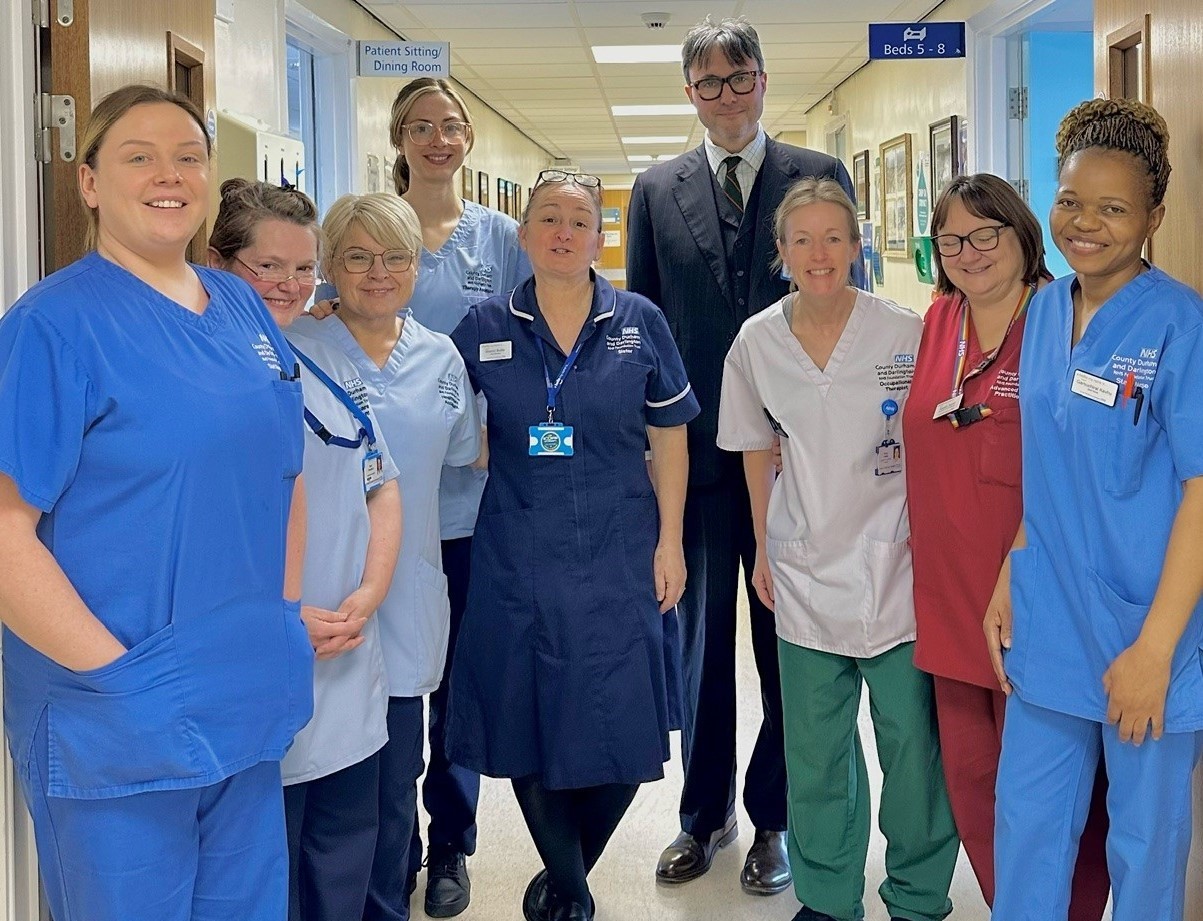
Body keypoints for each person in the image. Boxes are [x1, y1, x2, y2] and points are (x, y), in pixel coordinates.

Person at [0, 85, 313, 921]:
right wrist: (123, 683)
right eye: (138, 156)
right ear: (90, 182)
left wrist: (280, 618)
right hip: (117, 720)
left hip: (240, 700)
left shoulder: (243, 307)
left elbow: (286, 470)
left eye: (187, 157)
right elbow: (5, 534)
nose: (167, 174)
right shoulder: (52, 326)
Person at [626, 16, 860, 892]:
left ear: (765, 79)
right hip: (692, 459)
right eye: (708, 82)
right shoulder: (656, 188)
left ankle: (774, 818)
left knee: (782, 642)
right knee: (696, 647)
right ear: (689, 94)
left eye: (741, 76)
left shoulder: (817, 176)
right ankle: (704, 814)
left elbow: (841, 307)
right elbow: (641, 327)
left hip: (791, 458)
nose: (726, 94)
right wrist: (647, 457)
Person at [446, 170, 699, 921]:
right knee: (526, 713)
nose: (563, 231)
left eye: (579, 220)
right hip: (516, 550)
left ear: (599, 236)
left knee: (627, 713)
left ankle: (566, 872)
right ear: (522, 235)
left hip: (624, 545)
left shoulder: (638, 319)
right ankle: (573, 891)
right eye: (547, 218)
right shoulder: (486, 323)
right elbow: (438, 409)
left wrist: (672, 540)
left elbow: (671, 433)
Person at [717, 178, 959, 921]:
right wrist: (762, 546)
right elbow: (753, 449)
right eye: (801, 240)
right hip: (803, 564)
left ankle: (917, 894)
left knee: (911, 751)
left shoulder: (903, 330)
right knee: (817, 754)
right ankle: (825, 894)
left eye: (832, 238)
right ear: (780, 252)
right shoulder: (757, 339)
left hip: (898, 562)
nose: (817, 255)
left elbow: (940, 441)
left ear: (856, 246)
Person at [988, 97, 1203, 921]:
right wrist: (1012, 567)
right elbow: (1049, 461)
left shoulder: (1180, 326)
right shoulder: (1041, 310)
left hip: (1147, 630)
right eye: (1071, 200)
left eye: (1113, 208)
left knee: (1144, 847)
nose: (1085, 224)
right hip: (1048, 622)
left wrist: (1154, 649)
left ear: (1151, 217)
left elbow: (1198, 490)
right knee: (1027, 828)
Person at [901, 174, 1111, 917]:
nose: (969, 251)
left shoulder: (1065, 321)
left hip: (1040, 600)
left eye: (985, 234)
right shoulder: (935, 323)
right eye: (951, 240)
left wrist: (1020, 574)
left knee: (1054, 797)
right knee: (974, 785)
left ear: (1022, 235)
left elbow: (1090, 464)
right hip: (948, 599)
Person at [208, 179, 403, 921]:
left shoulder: (318, 368)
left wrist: (369, 593)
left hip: (349, 657)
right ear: (219, 264)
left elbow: (381, 483)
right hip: (263, 664)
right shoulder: (199, 378)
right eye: (268, 266)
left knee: (344, 860)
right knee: (270, 876)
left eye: (302, 267)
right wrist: (278, 621)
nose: (290, 284)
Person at [291, 192, 482, 921]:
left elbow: (468, 454)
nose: (379, 272)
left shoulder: (440, 356)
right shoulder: (298, 347)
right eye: (358, 257)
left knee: (396, 785)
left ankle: (387, 906)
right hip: (322, 604)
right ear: (331, 268)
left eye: (396, 257)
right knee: (329, 802)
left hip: (406, 601)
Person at [389, 77, 531, 917]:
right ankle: (391, 836)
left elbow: (531, 337)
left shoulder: (501, 237)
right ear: (399, 138)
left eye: (450, 126)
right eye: (420, 127)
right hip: (385, 496)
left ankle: (449, 844)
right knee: (389, 679)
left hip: (474, 498)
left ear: (470, 136)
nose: (437, 140)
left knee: (457, 684)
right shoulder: (374, 223)